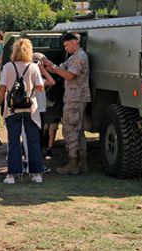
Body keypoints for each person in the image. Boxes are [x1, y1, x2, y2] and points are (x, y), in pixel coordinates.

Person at [0, 38, 45, 184]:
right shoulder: (33, 67)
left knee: (13, 141)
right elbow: (40, 87)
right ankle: (36, 173)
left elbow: (3, 88)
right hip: (30, 108)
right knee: (33, 141)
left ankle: (12, 174)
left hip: (12, 109)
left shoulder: (8, 67)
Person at [44, 32, 90, 175]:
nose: (65, 48)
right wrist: (47, 64)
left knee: (70, 129)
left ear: (75, 42)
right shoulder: (74, 57)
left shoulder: (80, 58)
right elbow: (60, 68)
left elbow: (69, 75)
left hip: (76, 98)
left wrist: (54, 68)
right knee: (78, 130)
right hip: (74, 98)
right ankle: (82, 163)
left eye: (66, 45)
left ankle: (73, 163)